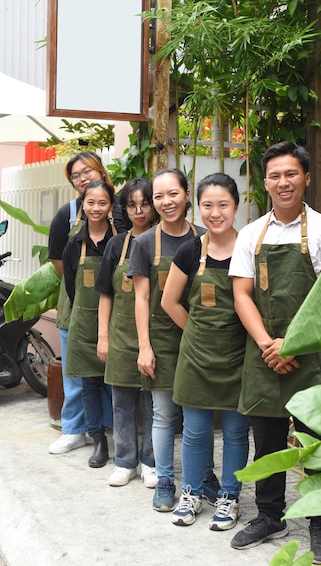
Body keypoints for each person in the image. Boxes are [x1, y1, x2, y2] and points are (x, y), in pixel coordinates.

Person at [228, 142, 321, 564]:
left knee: (316, 442)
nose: (283, 182)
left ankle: (320, 520)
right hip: (263, 353)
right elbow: (241, 294)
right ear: (265, 182)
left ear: (306, 178)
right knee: (270, 443)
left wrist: (292, 344)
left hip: (312, 354)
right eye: (275, 175)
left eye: (291, 174)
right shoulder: (251, 234)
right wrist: (268, 345)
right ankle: (270, 515)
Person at [127, 168, 219, 512]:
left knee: (200, 414)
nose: (167, 202)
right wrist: (145, 347)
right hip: (163, 342)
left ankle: (205, 476)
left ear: (186, 195)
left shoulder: (207, 237)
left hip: (201, 341)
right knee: (164, 414)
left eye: (173, 194)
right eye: (159, 197)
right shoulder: (144, 243)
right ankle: (165, 480)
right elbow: (140, 299)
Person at [161, 173, 249, 531]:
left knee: (236, 432)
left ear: (236, 207)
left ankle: (229, 496)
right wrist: (198, 332)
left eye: (223, 204)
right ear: (199, 207)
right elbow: (169, 301)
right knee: (195, 432)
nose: (215, 213)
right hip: (196, 358)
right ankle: (192, 492)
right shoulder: (189, 250)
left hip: (240, 357)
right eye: (207, 205)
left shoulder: (250, 248)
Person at [48, 150, 127, 455]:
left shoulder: (121, 211)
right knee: (77, 373)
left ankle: (107, 429)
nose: (82, 179)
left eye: (87, 172)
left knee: (110, 376)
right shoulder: (66, 213)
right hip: (76, 305)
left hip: (116, 305)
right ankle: (74, 429)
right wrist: (83, 287)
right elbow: (59, 260)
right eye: (76, 176)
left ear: (101, 172)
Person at [95, 178, 158, 488]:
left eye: (144, 204)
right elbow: (105, 293)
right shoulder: (117, 245)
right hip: (120, 336)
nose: (138, 211)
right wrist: (103, 336)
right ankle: (124, 461)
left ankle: (150, 461)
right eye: (131, 205)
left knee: (152, 404)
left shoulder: (165, 241)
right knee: (122, 403)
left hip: (155, 335)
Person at [63, 180, 116, 468]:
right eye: (90, 202)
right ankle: (98, 439)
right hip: (83, 325)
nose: (96, 208)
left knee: (122, 385)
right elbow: (71, 288)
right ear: (83, 204)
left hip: (118, 324)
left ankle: (124, 438)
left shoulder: (120, 241)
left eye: (102, 202)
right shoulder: (74, 244)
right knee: (90, 386)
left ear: (111, 207)